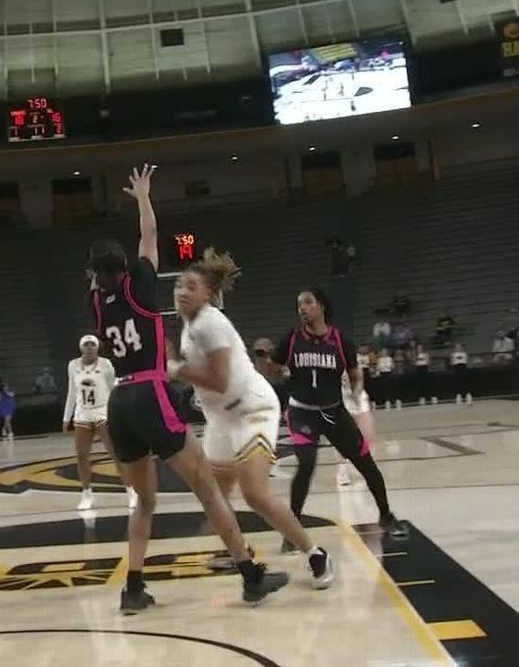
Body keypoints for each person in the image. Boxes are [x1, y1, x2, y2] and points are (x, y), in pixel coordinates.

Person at [88, 163, 286, 614]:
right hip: (150, 392)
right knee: (208, 490)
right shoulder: (139, 285)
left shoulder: (96, 303)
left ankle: (133, 589)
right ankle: (251, 576)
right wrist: (142, 197)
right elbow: (150, 237)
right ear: (125, 268)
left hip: (119, 399)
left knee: (144, 501)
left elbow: (101, 275)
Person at [171, 249, 334, 589]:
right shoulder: (189, 326)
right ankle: (239, 552)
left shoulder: (211, 322)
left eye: (190, 286)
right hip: (220, 419)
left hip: (251, 410)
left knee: (256, 495)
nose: (182, 292)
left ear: (208, 293)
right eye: (178, 286)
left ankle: (315, 553)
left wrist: (177, 370)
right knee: (214, 494)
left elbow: (219, 380)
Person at [271, 288, 409, 544]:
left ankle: (386, 515)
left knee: (366, 463)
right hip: (302, 413)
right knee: (306, 464)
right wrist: (278, 372)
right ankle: (293, 528)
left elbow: (356, 373)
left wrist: (356, 393)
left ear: (321, 306)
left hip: (333, 411)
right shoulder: (291, 339)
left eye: (308, 303)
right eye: (299, 304)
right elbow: (275, 368)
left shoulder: (340, 340)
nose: (302, 308)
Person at [63, 334, 135, 511]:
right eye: (86, 345)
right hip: (82, 413)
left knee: (115, 452)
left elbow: (113, 388)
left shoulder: (105, 364)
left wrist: (118, 412)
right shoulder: (73, 365)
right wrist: (67, 417)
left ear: (97, 347)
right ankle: (87, 493)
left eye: (92, 345)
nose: (89, 348)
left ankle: (131, 490)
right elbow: (72, 392)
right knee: (81, 455)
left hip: (103, 411)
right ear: (81, 347)